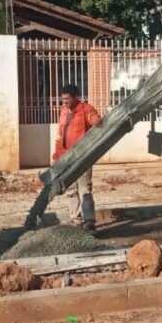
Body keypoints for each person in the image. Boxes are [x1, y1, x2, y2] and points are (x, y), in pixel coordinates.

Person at [53, 83, 101, 232]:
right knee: (70, 190)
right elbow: (60, 134)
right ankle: (75, 219)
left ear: (76, 97)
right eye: (63, 99)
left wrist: (97, 121)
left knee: (85, 189)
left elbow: (94, 119)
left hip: (83, 158)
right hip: (66, 158)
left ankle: (89, 221)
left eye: (67, 99)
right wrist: (57, 156)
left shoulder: (86, 109)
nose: (65, 102)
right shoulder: (63, 111)